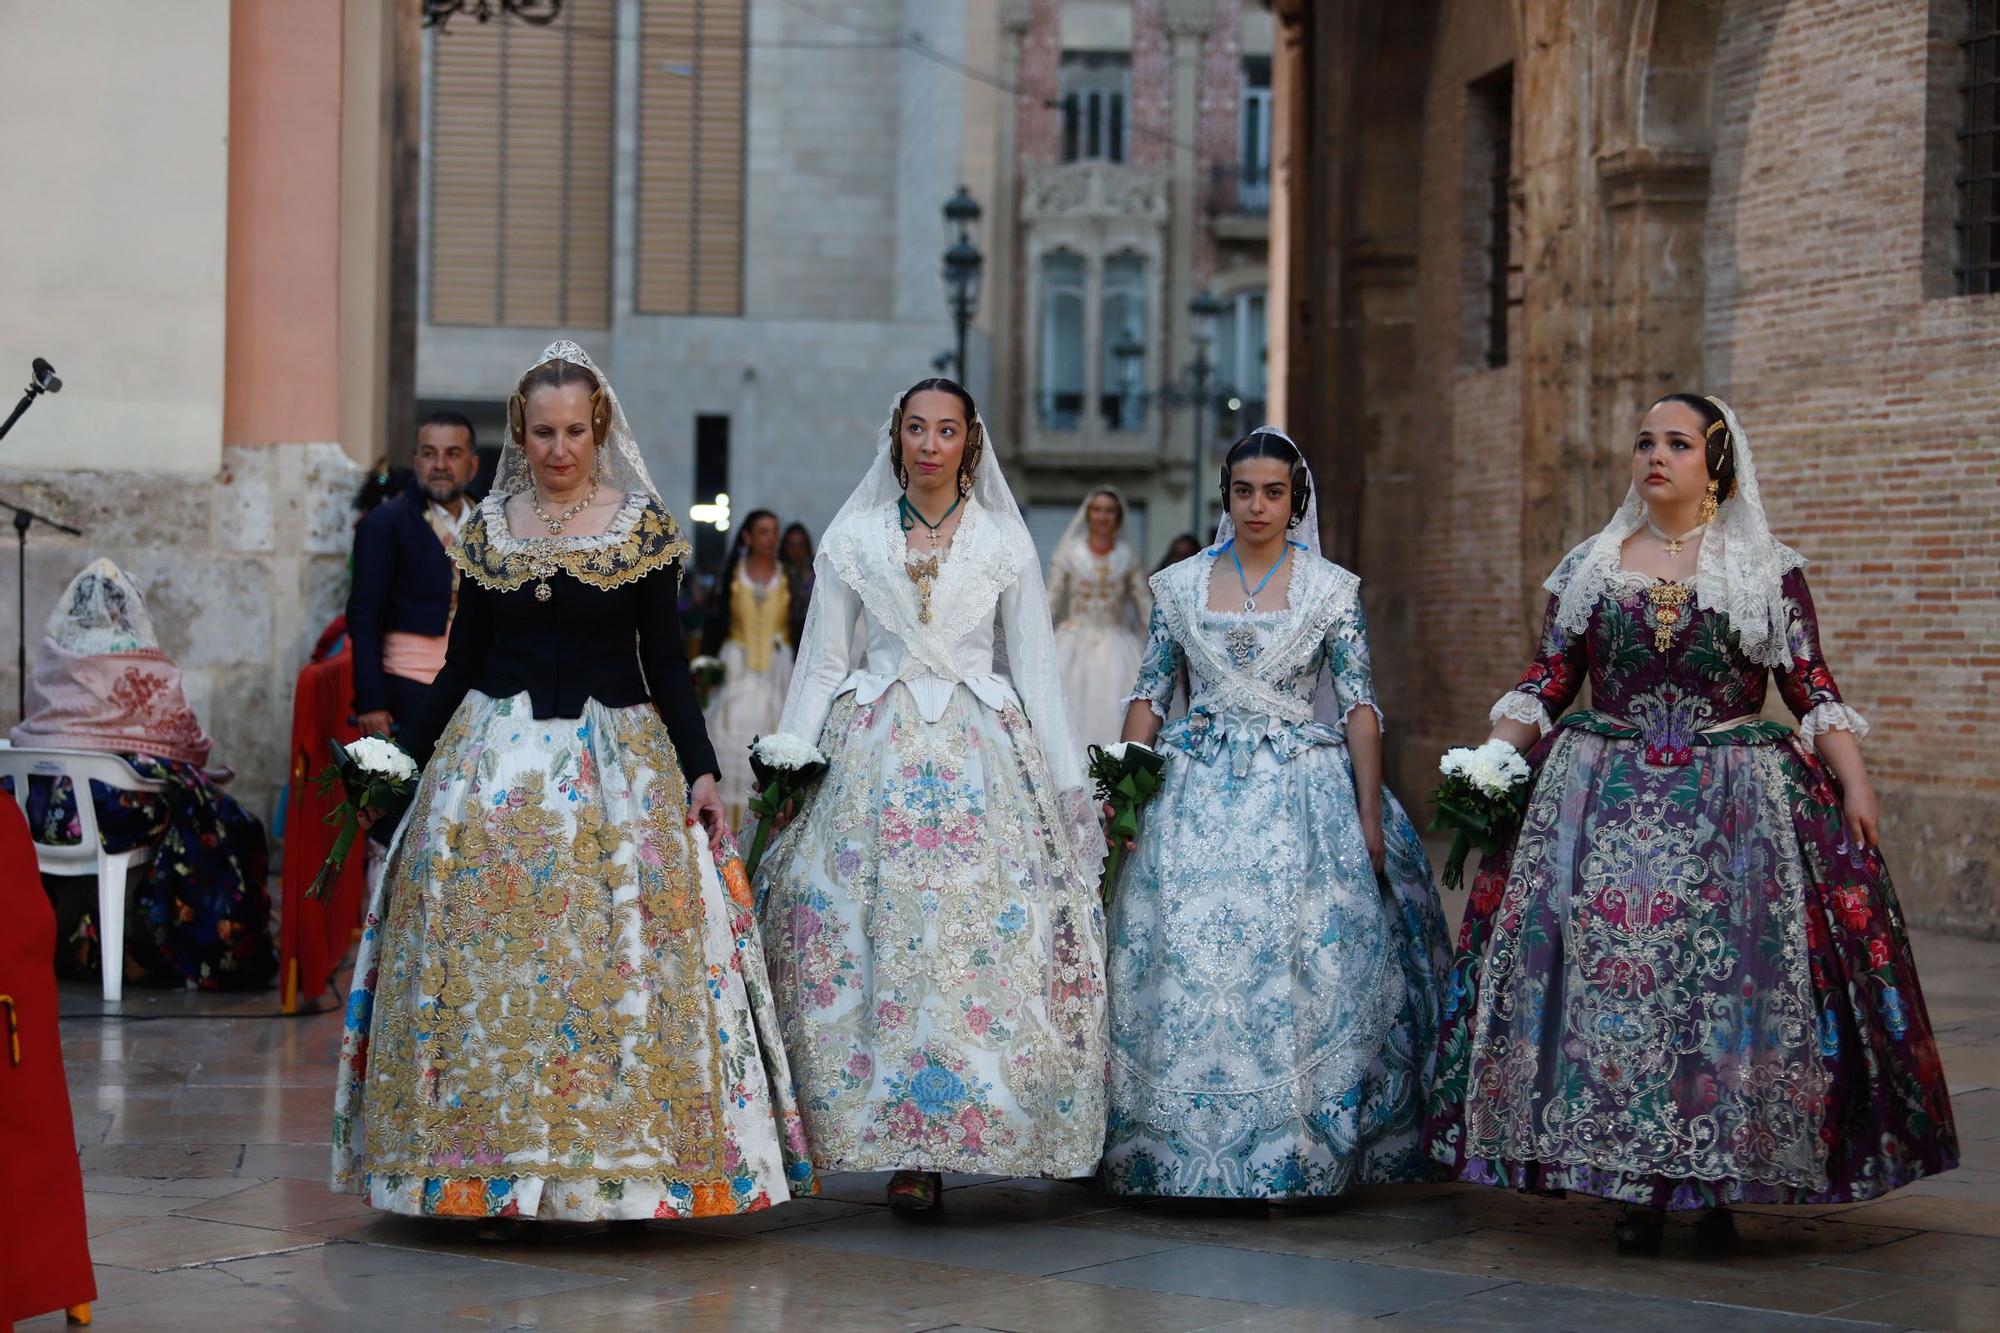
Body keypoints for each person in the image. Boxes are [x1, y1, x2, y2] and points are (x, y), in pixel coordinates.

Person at [1427, 394, 1958, 1252]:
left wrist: (1856, 786)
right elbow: (1547, 680)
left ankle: (1710, 1189)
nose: (1655, 456)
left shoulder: (1766, 570)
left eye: (1676, 442)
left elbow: (1810, 686)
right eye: (1645, 441)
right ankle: (1633, 1186)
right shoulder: (1592, 566)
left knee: (1719, 997)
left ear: (1716, 462)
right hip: (1603, 810)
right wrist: (1490, 759)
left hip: (1732, 816)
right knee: (1615, 994)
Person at [331, 341, 811, 1233]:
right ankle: (480, 1171)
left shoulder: (642, 529)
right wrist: (404, 760)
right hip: (490, 768)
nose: (560, 448)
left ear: (601, 430)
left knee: (614, 951)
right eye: (544, 432)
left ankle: (615, 1170)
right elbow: (460, 662)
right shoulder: (486, 530)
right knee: (486, 953)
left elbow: (665, 664)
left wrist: (701, 769)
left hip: (616, 768)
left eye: (576, 431)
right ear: (521, 432)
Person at [754, 378, 1108, 1213]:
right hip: (870, 750)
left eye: (945, 430)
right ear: (896, 437)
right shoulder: (857, 537)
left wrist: (1069, 791)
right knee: (858, 928)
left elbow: (1037, 674)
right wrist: (788, 769)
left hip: (983, 760)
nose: (928, 444)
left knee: (979, 935)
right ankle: (889, 1137)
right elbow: (825, 663)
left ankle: (982, 1126)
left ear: (969, 443)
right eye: (915, 428)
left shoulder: (1003, 544)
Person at [1101, 428, 1448, 1200]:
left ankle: (1298, 1144)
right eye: (1244, 490)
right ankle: (1171, 1147)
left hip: (1301, 786)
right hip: (1192, 787)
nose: (1257, 505)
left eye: (1273, 492)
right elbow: (1150, 694)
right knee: (1184, 951)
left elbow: (1360, 703)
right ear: (1225, 494)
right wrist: (1123, 794)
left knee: (1300, 959)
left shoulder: (1330, 587)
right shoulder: (1180, 584)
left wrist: (1367, 815)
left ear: (1296, 501)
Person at [9, 559, 275, 991]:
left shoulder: (53, 658)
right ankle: (190, 949)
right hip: (110, 816)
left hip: (41, 815)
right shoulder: (143, 663)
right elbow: (189, 741)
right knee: (218, 819)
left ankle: (106, 941)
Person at [348, 413, 481, 741]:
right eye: (429, 453)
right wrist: (371, 701)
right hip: (407, 682)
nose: (440, 464)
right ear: (416, 461)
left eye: (452, 454)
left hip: (479, 684)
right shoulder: (384, 523)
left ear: (472, 464)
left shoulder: (492, 524)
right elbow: (364, 615)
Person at [701, 509, 794, 826]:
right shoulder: (733, 576)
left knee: (772, 733)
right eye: (764, 531)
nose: (772, 539)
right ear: (747, 536)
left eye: (775, 531)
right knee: (729, 735)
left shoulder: (788, 577)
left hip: (776, 669)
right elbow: (715, 625)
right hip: (736, 666)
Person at [1046, 487, 1151, 750]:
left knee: (1113, 712)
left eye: (1109, 510)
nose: (1102, 516)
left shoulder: (1127, 556)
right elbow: (1051, 599)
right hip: (1071, 643)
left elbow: (1143, 603)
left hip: (1115, 645)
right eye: (1097, 510)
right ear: (1088, 514)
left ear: (1118, 516)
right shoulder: (1070, 552)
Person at [781, 521, 816, 651]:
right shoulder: (780, 577)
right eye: (791, 545)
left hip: (810, 641)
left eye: (801, 545)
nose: (796, 551)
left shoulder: (816, 578)